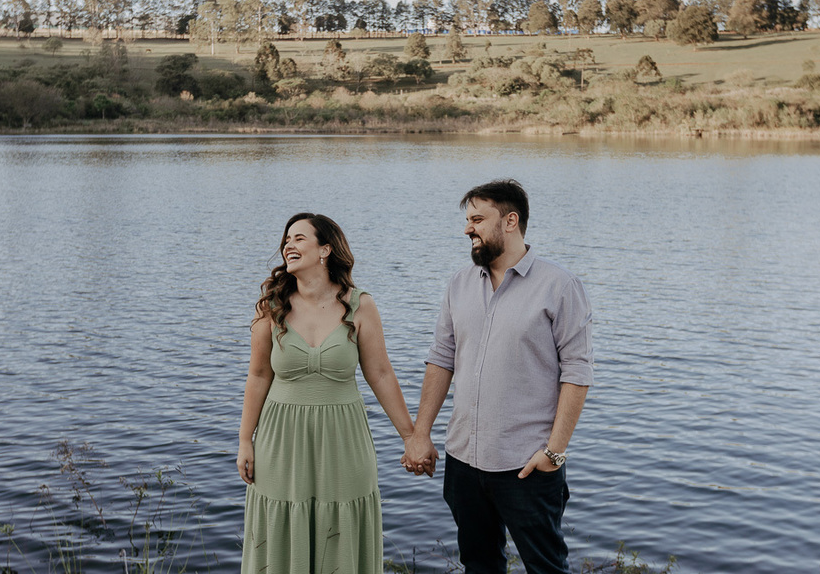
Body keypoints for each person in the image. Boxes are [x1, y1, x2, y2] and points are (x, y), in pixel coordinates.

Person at [401, 179, 595, 574]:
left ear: (510, 221)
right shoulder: (459, 284)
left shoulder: (559, 286)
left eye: (477, 219)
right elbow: (441, 358)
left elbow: (577, 372)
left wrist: (555, 452)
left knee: (547, 568)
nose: (467, 228)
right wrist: (421, 432)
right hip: (463, 463)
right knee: (479, 566)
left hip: (526, 465)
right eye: (467, 220)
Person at [238, 212, 415, 574]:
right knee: (282, 527)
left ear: (325, 250)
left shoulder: (359, 305)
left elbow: (380, 374)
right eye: (286, 239)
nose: (288, 244)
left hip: (343, 437)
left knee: (342, 527)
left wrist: (411, 436)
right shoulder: (271, 308)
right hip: (280, 439)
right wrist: (244, 440)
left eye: (299, 238)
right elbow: (257, 376)